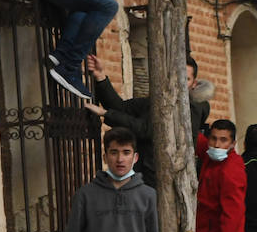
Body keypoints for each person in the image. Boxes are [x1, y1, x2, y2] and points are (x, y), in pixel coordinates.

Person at [83, 54, 214, 188]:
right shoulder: (155, 103)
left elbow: (147, 129)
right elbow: (119, 107)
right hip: (143, 177)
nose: (178, 83)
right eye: (175, 77)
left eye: (185, 79)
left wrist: (106, 114)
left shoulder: (193, 109)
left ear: (194, 84)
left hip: (167, 184)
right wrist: (100, 76)